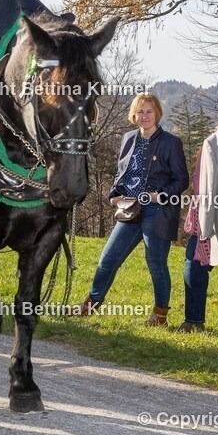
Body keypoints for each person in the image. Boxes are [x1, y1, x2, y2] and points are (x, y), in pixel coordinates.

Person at [71, 93, 189, 326]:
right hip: (129, 209)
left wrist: (161, 195)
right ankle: (90, 305)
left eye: (149, 111)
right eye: (140, 112)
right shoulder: (128, 138)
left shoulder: (170, 142)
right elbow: (121, 172)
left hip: (157, 210)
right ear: (133, 115)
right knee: (108, 258)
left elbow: (181, 179)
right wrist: (114, 193)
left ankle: (160, 316)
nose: (144, 116)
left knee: (156, 263)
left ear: (157, 114)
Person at [181, 81, 218, 332]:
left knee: (195, 262)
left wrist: (203, 229)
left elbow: (209, 191)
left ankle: (193, 321)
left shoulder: (217, 141)